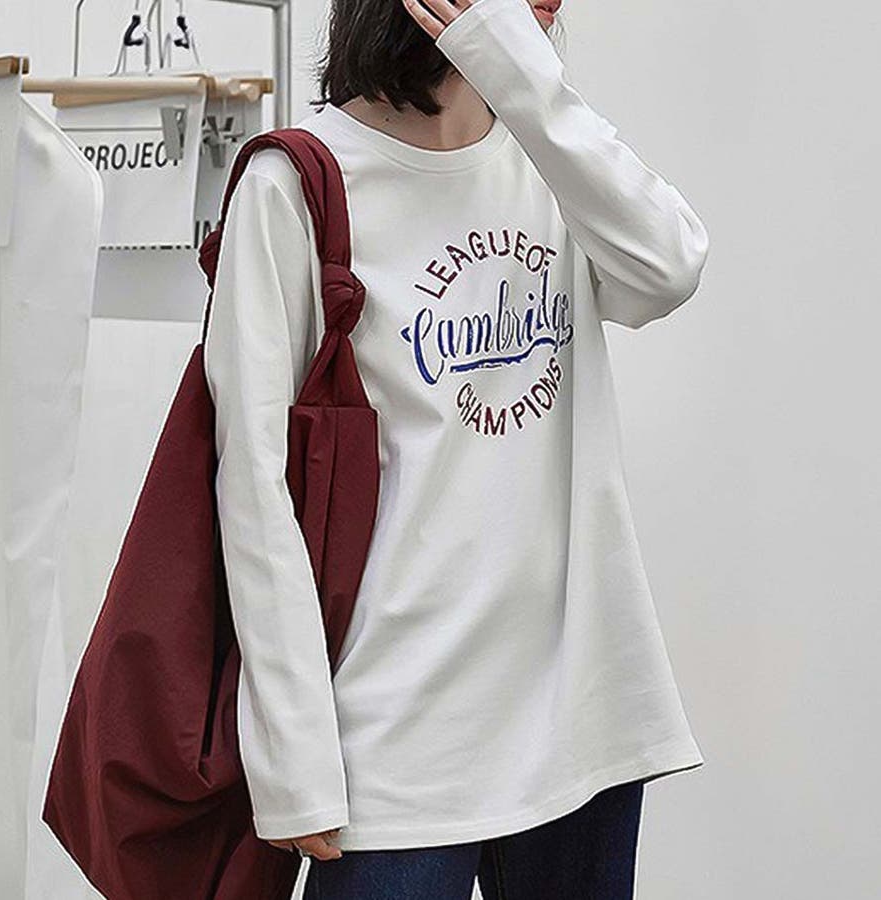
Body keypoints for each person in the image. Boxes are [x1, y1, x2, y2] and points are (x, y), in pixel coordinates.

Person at [203, 0, 709, 896]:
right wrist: (293, 754)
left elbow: (666, 269)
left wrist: (523, 80)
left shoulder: (552, 157)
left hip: (581, 727)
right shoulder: (295, 184)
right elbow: (252, 482)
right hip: (394, 752)